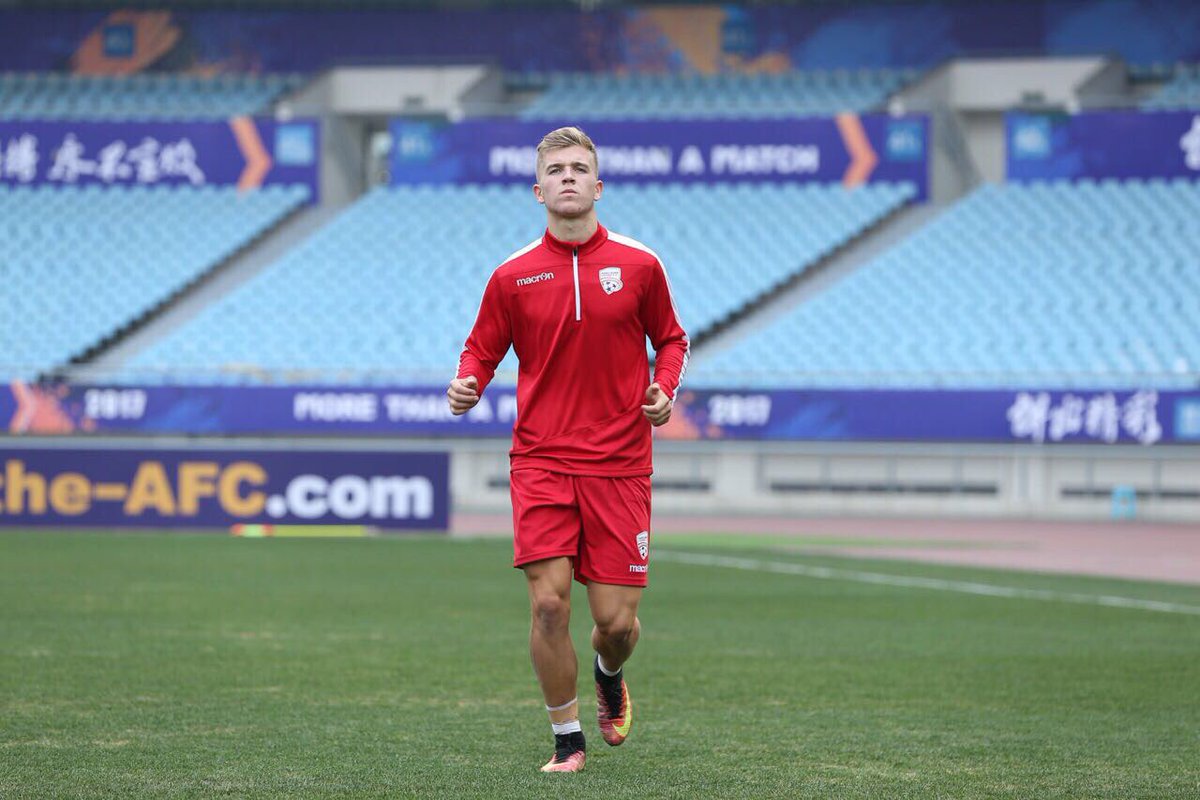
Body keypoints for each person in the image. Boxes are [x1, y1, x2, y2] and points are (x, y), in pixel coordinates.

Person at [447, 126, 689, 773]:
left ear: (599, 185)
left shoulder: (641, 265)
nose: (569, 177)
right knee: (549, 603)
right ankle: (568, 740)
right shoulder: (512, 275)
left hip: (620, 464)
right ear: (538, 189)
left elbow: (672, 340)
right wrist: (469, 381)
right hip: (542, 459)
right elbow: (482, 347)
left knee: (614, 622)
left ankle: (610, 673)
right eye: (556, 169)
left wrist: (664, 390)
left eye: (580, 168)